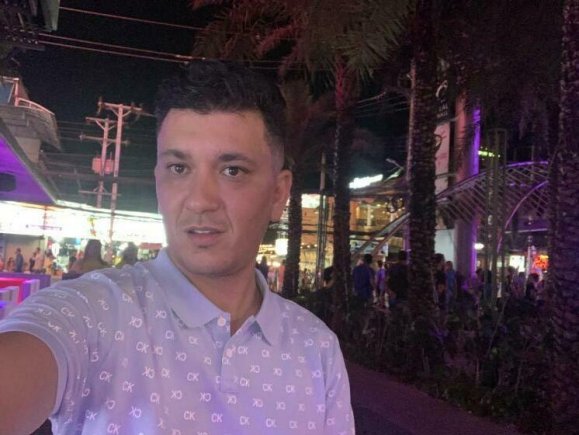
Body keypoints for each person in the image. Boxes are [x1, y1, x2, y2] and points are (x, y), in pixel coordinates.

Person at [0, 60, 354, 434]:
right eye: (179, 168)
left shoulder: (316, 348)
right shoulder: (93, 313)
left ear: (279, 194)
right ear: (158, 181)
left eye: (232, 170)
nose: (199, 200)